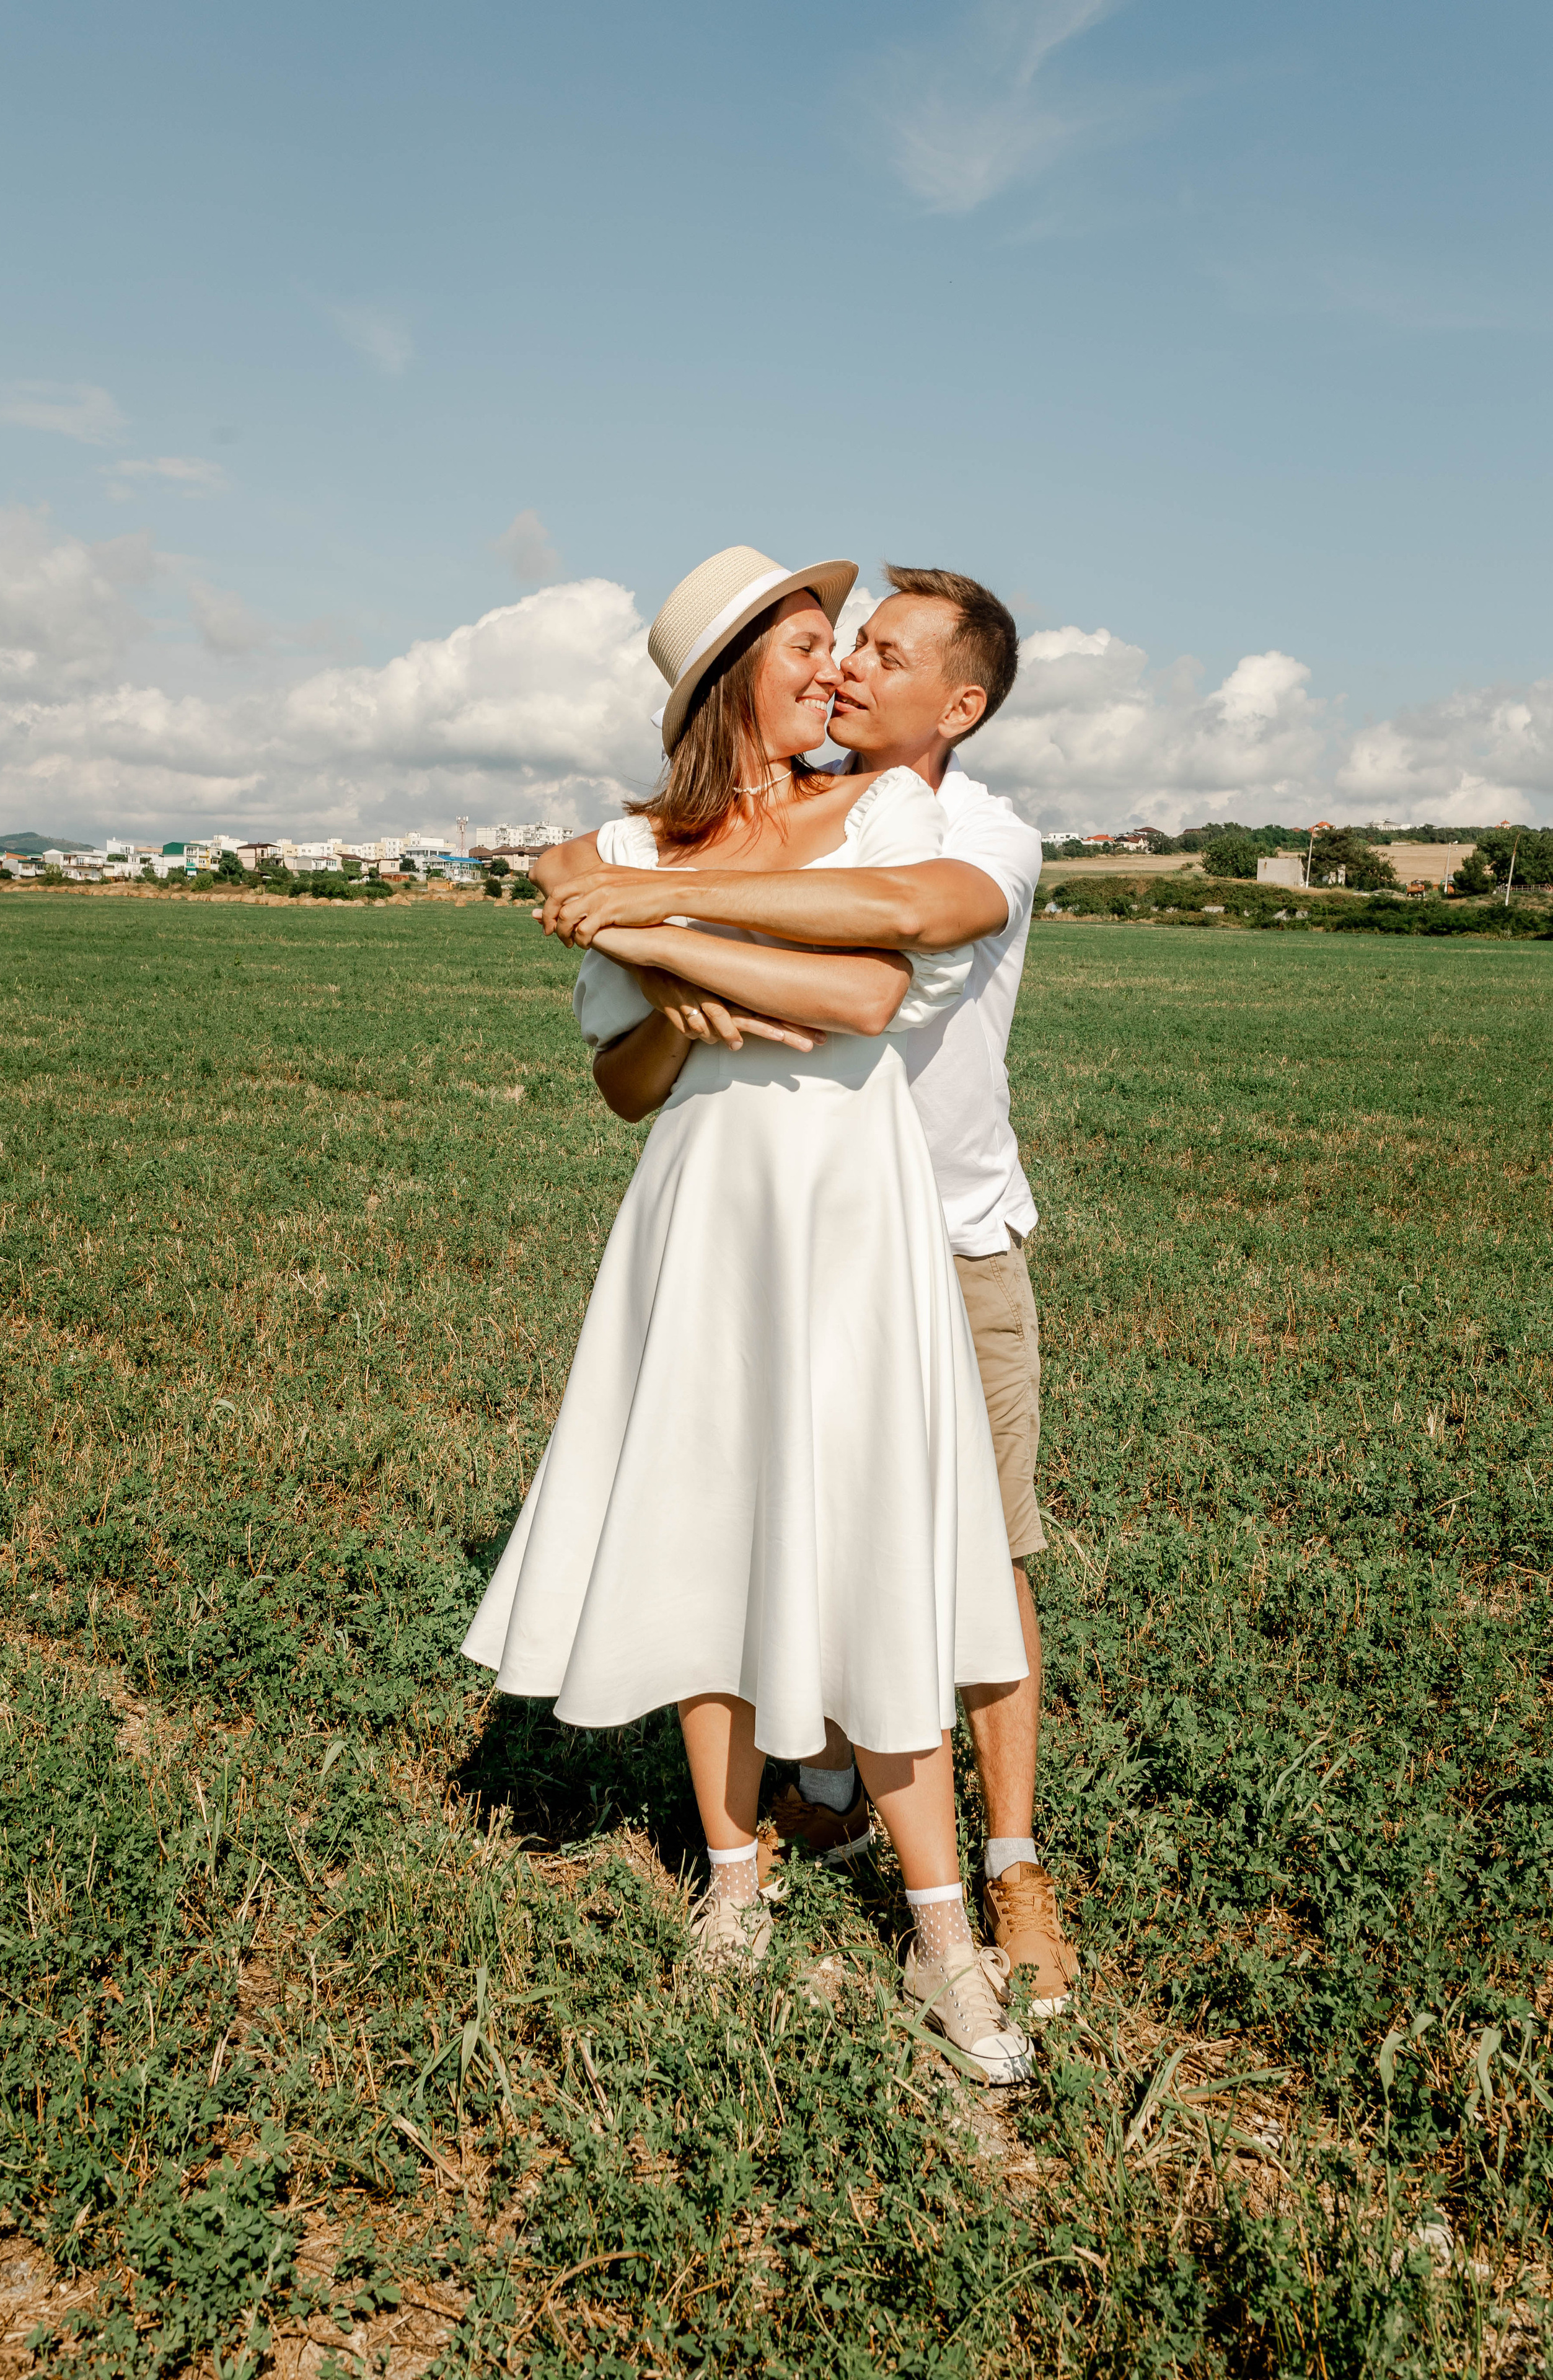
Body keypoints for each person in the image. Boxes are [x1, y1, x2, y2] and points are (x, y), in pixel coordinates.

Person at [464, 545, 1034, 2083]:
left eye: (843, 644)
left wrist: (655, 931)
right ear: (730, 679)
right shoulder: (626, 842)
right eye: (803, 645)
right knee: (701, 1529)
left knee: (875, 1540)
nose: (833, 666)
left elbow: (863, 999)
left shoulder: (882, 810)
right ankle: (731, 1882)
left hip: (850, 1209)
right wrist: (664, 993)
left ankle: (941, 1933)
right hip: (704, 1205)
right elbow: (623, 1075)